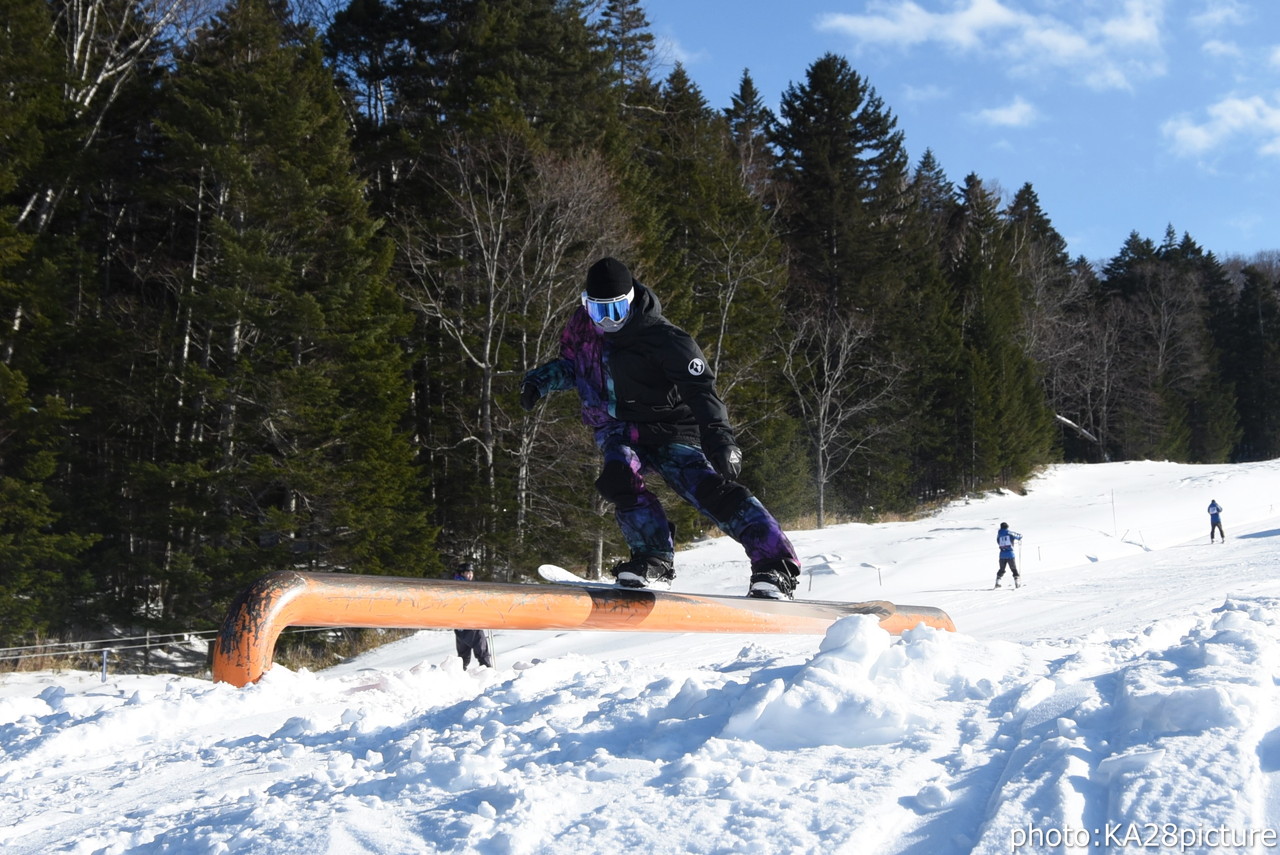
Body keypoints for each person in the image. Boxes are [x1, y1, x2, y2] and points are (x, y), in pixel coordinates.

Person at [520, 257, 801, 599]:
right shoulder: (581, 328)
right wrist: (540, 381)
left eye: (616, 310)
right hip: (618, 428)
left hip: (670, 428)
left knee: (708, 489)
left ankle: (776, 565)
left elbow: (701, 391)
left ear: (632, 301)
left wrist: (721, 440)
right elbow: (572, 365)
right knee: (618, 479)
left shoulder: (665, 339)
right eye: (598, 311)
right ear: (585, 305)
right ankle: (653, 559)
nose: (607, 321)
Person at [452, 563, 493, 668]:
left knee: (463, 655)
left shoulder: (460, 585)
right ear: (462, 573)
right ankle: (487, 670)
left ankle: (459, 673)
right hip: (470, 622)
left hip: (461, 625)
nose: (470, 575)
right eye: (467, 573)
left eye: (471, 573)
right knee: (481, 648)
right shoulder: (461, 586)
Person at [995, 522, 1022, 589]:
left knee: (1002, 569)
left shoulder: (999, 534)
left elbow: (998, 542)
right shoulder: (1009, 532)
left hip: (1002, 555)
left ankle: (997, 583)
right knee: (1013, 569)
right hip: (1010, 554)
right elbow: (1019, 536)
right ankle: (1017, 583)